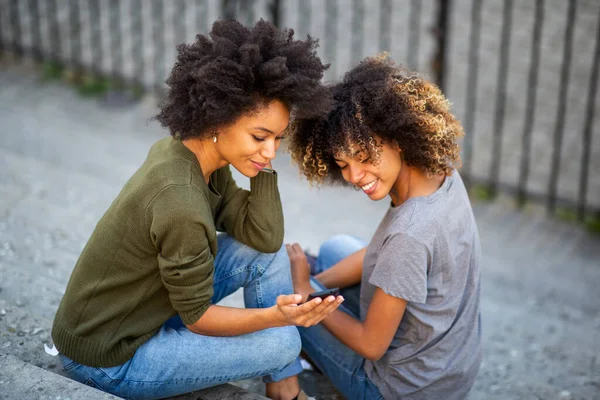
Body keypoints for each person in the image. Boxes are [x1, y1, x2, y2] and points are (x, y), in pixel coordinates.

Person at [51, 19, 341, 400]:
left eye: (277, 139)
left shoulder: (197, 156)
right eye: (259, 136)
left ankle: (284, 389)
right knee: (283, 343)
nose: (271, 151)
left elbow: (264, 237)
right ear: (218, 118)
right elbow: (199, 318)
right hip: (109, 358)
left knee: (267, 256)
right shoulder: (181, 200)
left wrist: (259, 167)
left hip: (142, 314)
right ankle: (283, 377)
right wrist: (277, 317)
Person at [286, 54, 482, 400]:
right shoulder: (440, 174)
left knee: (275, 293)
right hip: (449, 368)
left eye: (364, 156)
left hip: (397, 390)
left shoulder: (409, 234)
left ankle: (287, 385)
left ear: (398, 137)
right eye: (343, 163)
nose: (354, 176)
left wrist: (304, 291)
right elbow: (385, 256)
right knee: (335, 250)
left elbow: (371, 345)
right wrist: (320, 282)